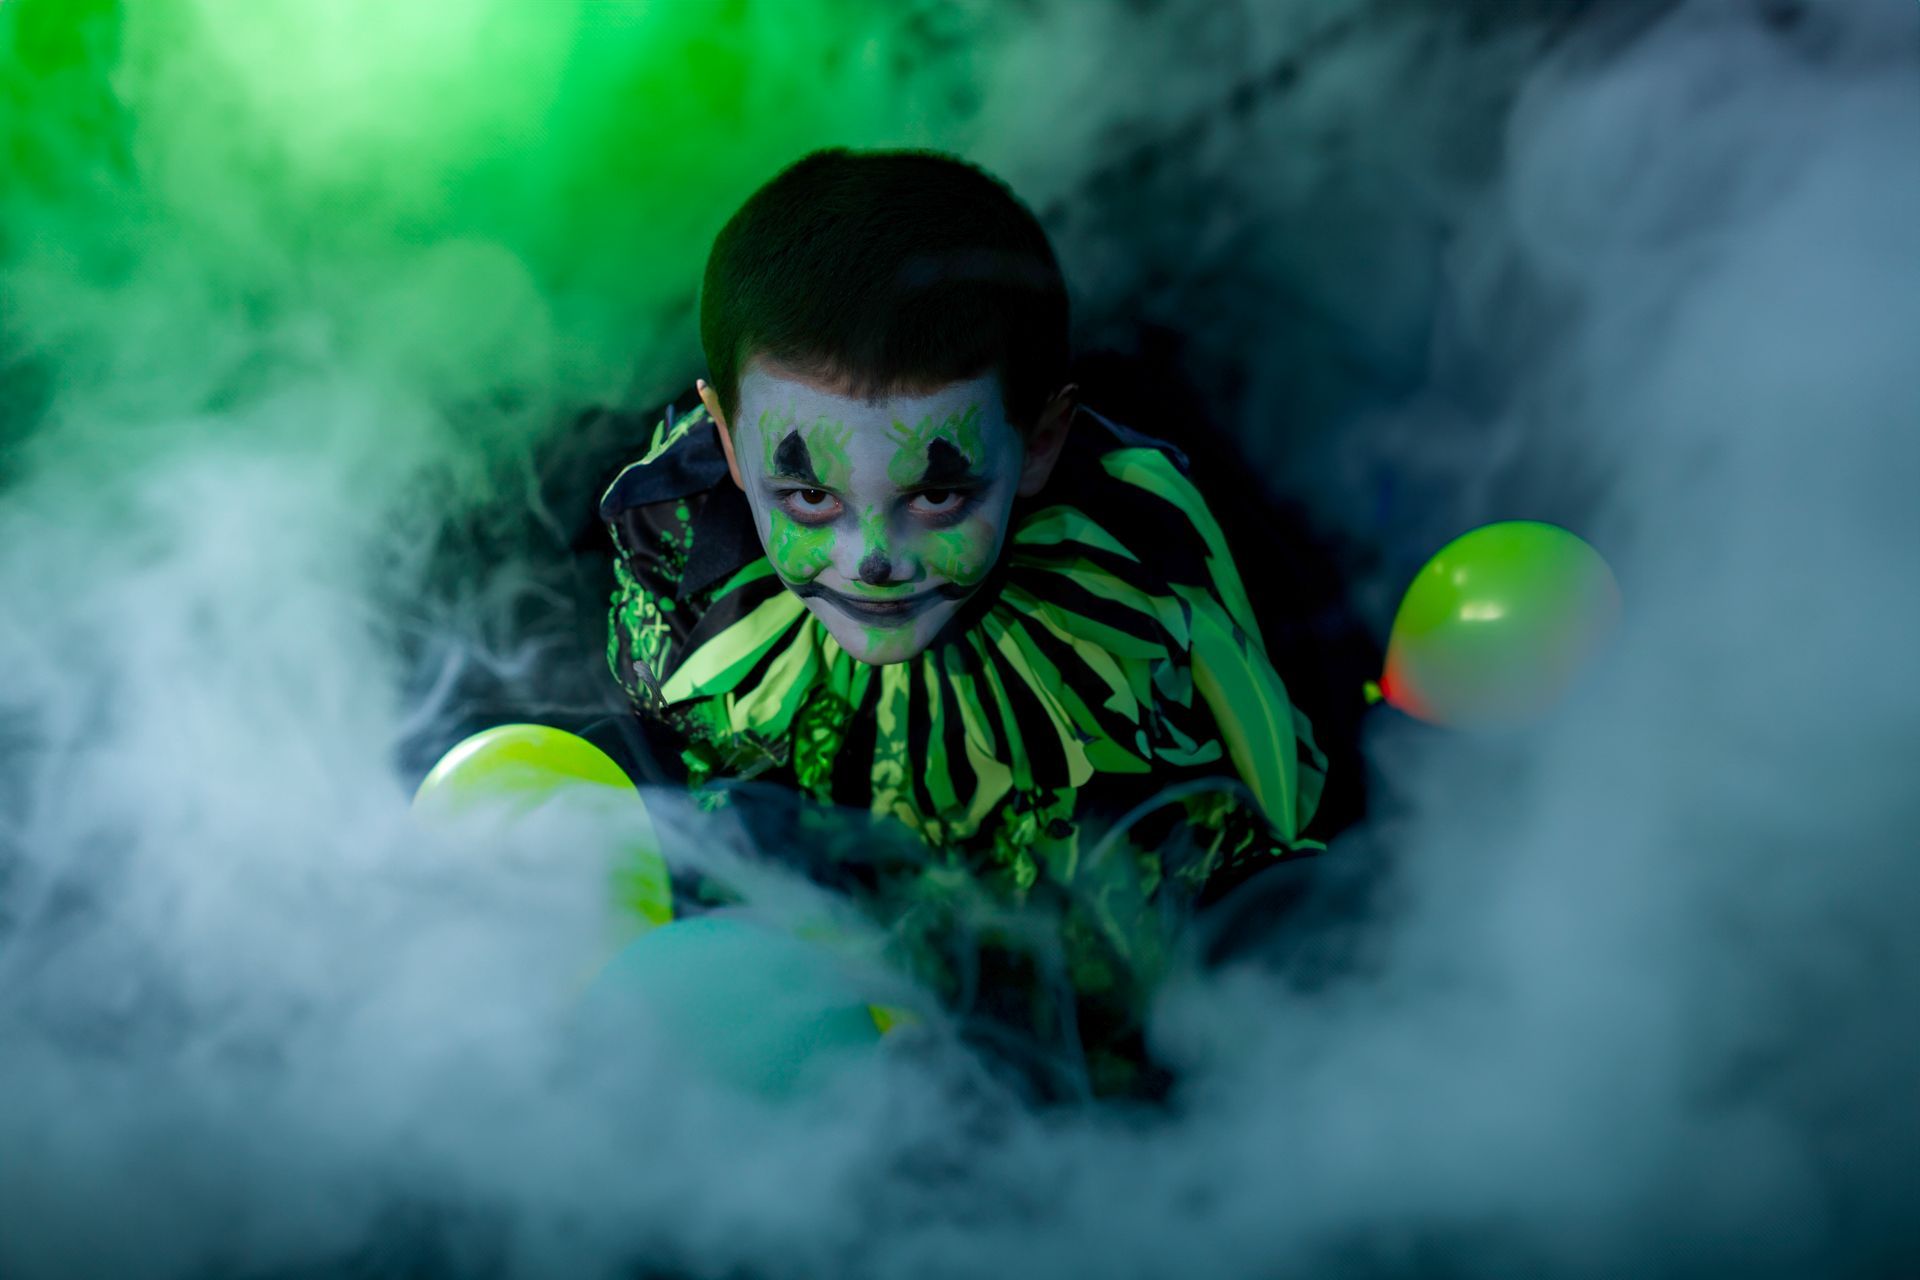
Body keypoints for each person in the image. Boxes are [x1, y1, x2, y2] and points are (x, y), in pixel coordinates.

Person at [599, 147, 1328, 1098]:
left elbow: (1268, 812)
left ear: (1042, 442)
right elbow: (650, 794)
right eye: (809, 495)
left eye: (939, 493)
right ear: (730, 443)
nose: (872, 557)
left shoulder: (1140, 578)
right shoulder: (684, 548)